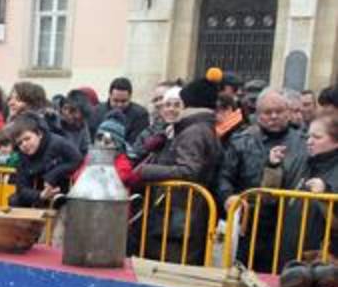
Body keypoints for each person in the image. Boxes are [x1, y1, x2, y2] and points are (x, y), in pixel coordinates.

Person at [132, 71, 222, 265]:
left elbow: (188, 170)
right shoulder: (200, 128)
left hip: (180, 214)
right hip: (182, 213)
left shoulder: (194, 132)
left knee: (168, 267)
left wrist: (147, 171)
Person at [218, 87, 308, 267]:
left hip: (288, 222)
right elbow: (224, 176)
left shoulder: (303, 142)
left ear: (289, 113)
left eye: (279, 111)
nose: (274, 116)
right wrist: (228, 197)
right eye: (268, 112)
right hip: (250, 221)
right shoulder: (242, 141)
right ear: (258, 115)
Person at [261, 111, 338, 265]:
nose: (309, 141)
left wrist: (327, 193)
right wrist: (273, 167)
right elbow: (269, 198)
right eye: (308, 136)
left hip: (323, 257)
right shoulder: (300, 161)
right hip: (286, 248)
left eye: (317, 137)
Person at [8, 113, 82, 208]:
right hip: (38, 192)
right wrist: (40, 195)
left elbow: (77, 159)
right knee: (14, 200)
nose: (24, 144)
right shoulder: (22, 155)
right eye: (20, 143)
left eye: (27, 139)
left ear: (39, 134)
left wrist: (53, 175)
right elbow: (21, 188)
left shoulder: (58, 143)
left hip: (61, 188)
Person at [72, 114, 137, 191]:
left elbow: (119, 178)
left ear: (117, 145)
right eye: (99, 139)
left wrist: (95, 176)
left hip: (112, 199)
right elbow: (77, 177)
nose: (102, 144)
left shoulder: (122, 162)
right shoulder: (91, 158)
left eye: (107, 142)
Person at [89, 77, 150, 143]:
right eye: (115, 100)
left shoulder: (140, 115)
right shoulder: (96, 112)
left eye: (123, 101)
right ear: (109, 95)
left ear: (130, 97)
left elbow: (137, 143)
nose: (119, 105)